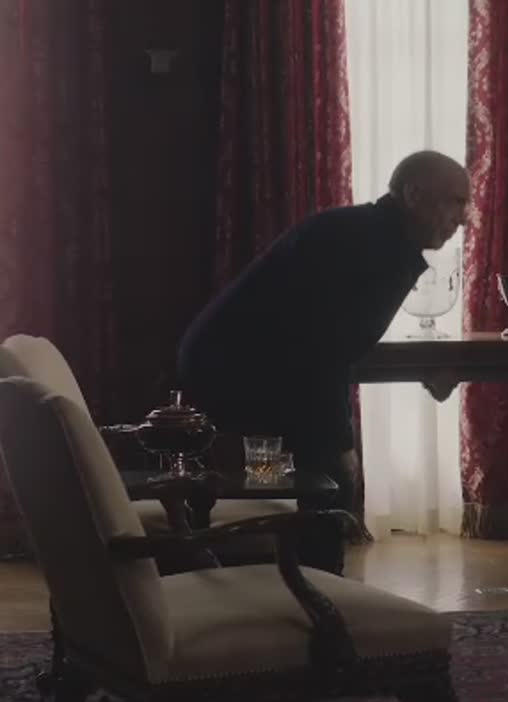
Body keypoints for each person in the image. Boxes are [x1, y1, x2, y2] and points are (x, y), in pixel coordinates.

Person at [178, 151, 470, 573]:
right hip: (233, 371)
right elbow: (321, 348)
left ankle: (311, 581)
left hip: (246, 363)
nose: (463, 218)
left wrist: (425, 369)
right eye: (455, 201)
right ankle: (319, 591)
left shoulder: (375, 235)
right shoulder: (368, 245)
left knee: (328, 477)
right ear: (413, 194)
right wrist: (339, 441)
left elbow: (342, 341)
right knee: (334, 476)